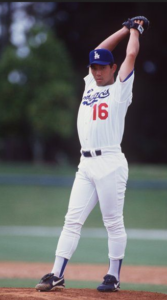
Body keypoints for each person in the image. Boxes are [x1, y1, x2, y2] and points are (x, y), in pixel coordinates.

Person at [35, 16, 149, 293]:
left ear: (113, 68)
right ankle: (56, 273)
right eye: (94, 67)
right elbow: (99, 48)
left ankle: (113, 275)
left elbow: (131, 53)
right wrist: (122, 27)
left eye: (102, 67)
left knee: (112, 221)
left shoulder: (120, 88)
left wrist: (136, 29)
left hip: (110, 161)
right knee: (72, 220)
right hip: (85, 163)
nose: (97, 72)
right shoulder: (90, 85)